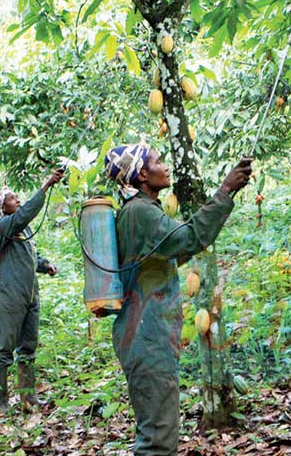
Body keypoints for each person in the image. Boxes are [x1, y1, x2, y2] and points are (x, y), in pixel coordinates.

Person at [104, 143, 251, 455]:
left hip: (145, 332)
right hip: (145, 334)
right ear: (143, 174)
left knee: (157, 428)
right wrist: (224, 190)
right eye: (158, 161)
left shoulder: (139, 212)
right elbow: (188, 237)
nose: (165, 166)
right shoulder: (141, 212)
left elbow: (172, 252)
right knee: (157, 438)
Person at [0, 168, 64, 413]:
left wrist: (45, 265)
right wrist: (45, 185)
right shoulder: (3, 225)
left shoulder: (24, 230)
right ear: (2, 207)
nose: (17, 200)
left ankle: (28, 398)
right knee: (4, 348)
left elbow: (31, 255)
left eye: (17, 197)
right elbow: (26, 213)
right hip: (10, 294)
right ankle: (0, 400)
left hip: (31, 293)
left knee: (28, 346)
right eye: (12, 198)